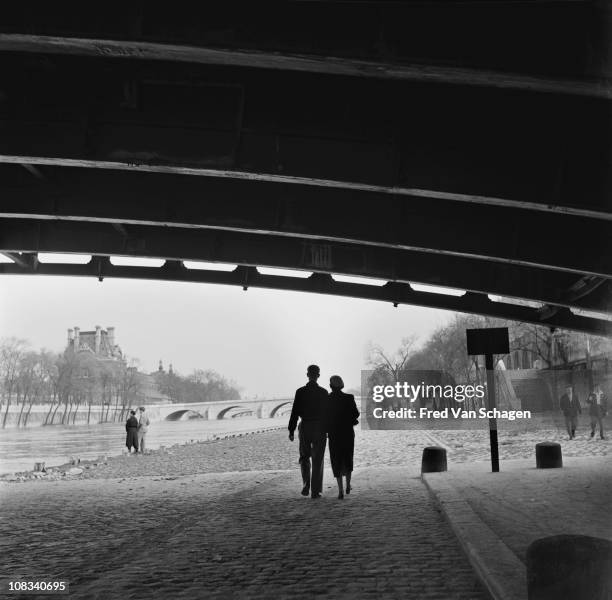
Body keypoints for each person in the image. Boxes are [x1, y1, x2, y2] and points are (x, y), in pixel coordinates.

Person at [288, 364, 328, 498]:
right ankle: (315, 491)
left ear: (307, 375)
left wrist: (291, 429)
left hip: (305, 426)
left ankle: (306, 484)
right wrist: (328, 430)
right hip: (319, 427)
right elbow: (328, 414)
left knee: (304, 457)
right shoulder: (323, 392)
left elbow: (294, 412)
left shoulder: (300, 392)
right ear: (318, 376)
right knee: (318, 459)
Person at [325, 375, 359, 500]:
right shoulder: (349, 398)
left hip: (334, 435)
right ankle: (348, 485)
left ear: (331, 386)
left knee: (336, 460)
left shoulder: (327, 399)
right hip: (347, 434)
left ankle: (340, 491)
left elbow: (325, 417)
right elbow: (356, 414)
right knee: (348, 458)